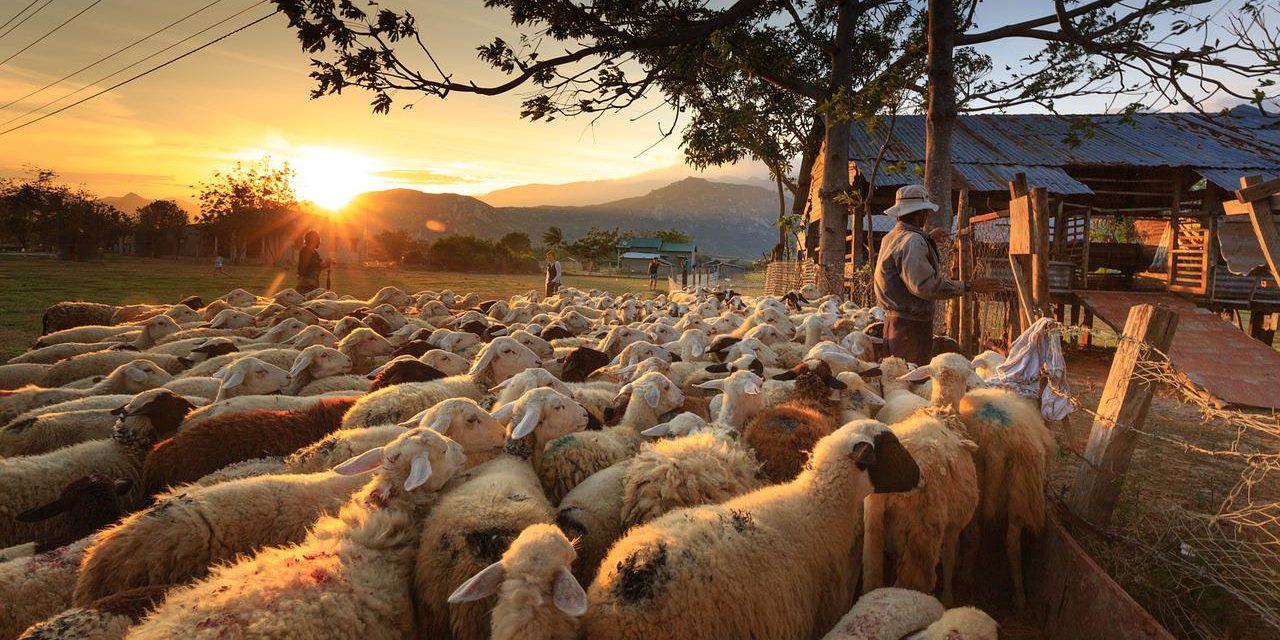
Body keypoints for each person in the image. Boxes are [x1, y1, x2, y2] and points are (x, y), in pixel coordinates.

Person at [874, 184, 1002, 366]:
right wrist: (969, 285)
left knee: (897, 381)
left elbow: (904, 262)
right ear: (921, 214)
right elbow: (924, 285)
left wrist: (928, 238)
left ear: (898, 214)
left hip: (893, 323)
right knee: (913, 381)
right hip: (911, 329)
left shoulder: (892, 237)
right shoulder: (913, 241)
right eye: (925, 213)